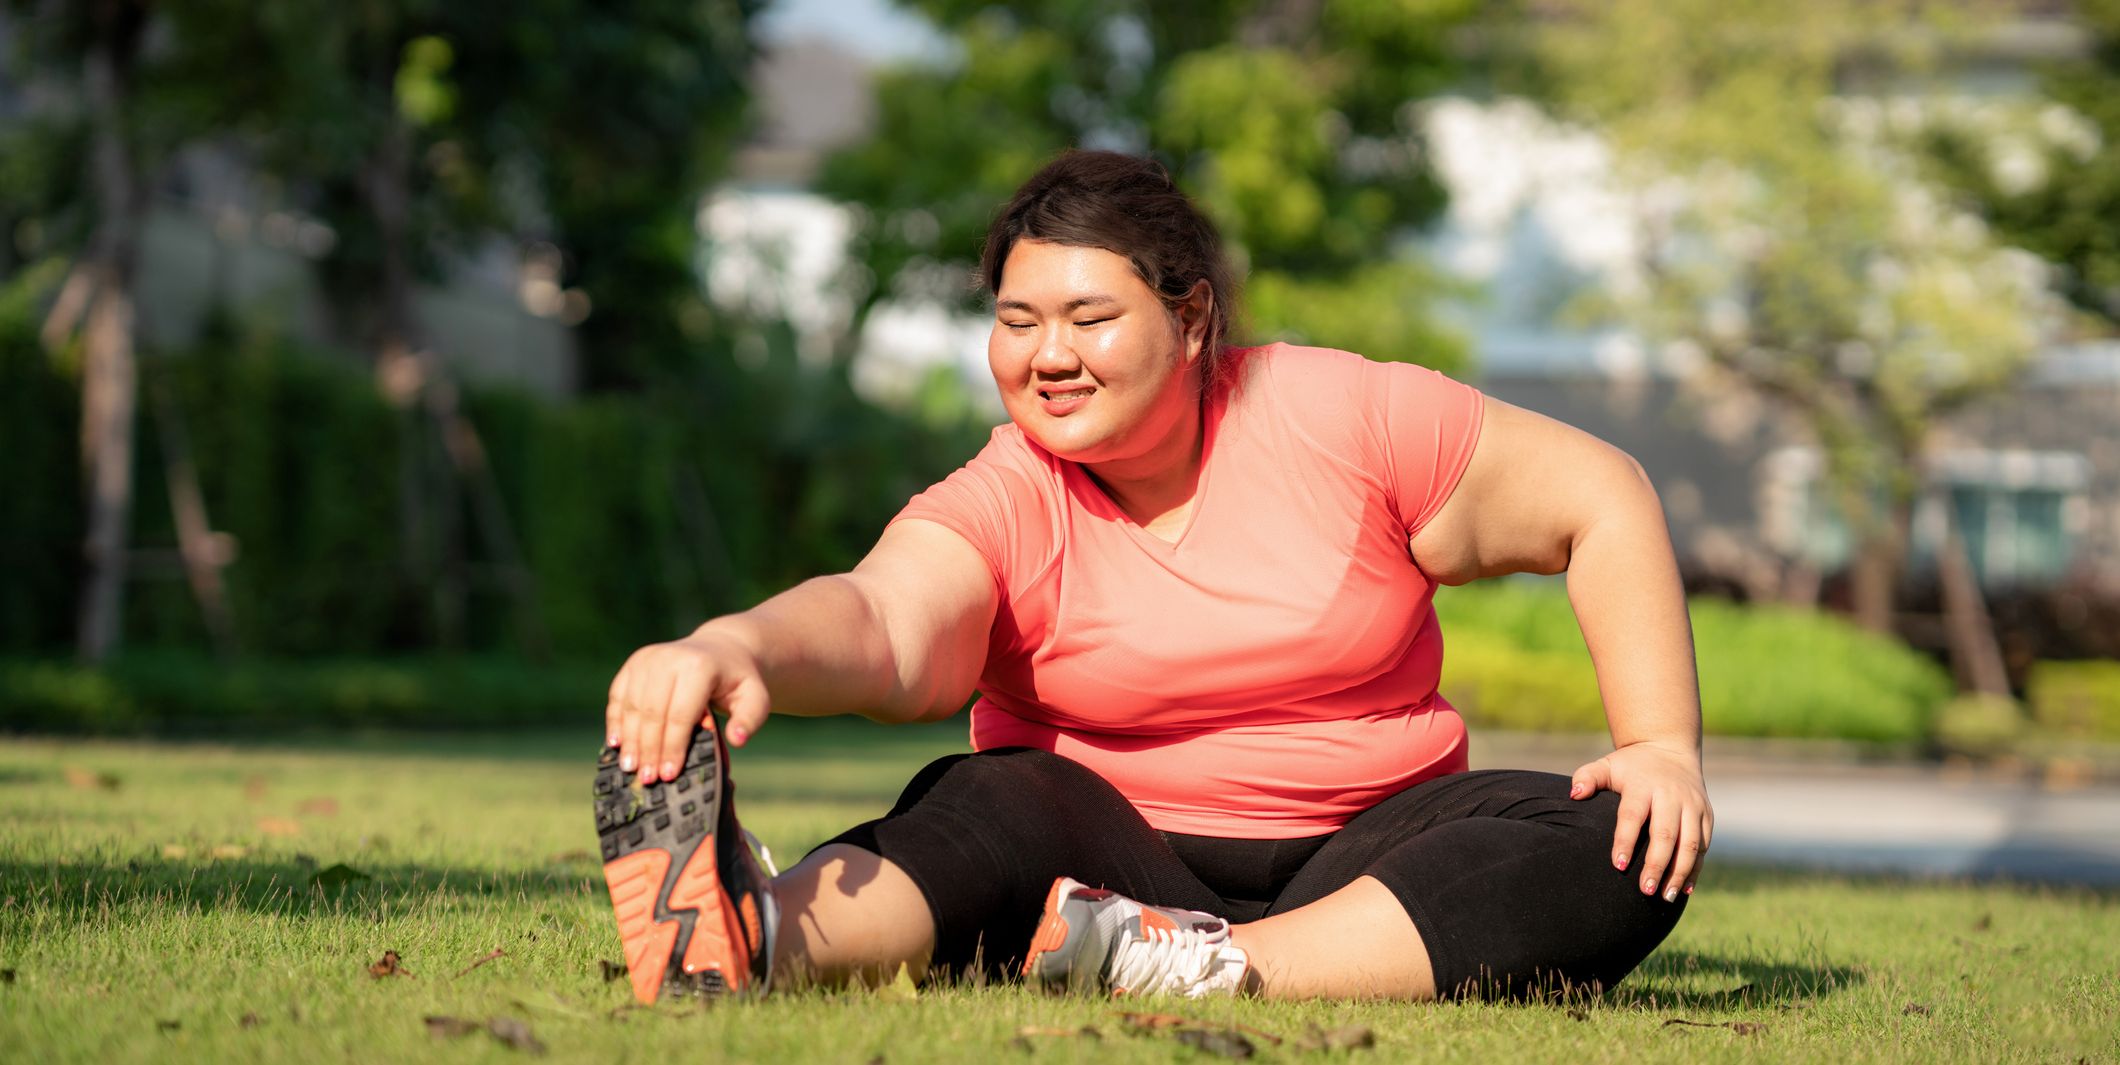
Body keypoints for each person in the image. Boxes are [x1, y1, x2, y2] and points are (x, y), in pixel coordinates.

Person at [590, 149, 1713, 1006]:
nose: (1046, 356)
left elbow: (1597, 495)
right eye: (1016, 321)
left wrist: (1658, 745)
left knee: (1620, 840)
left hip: (1369, 856)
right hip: (1097, 861)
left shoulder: (1339, 416)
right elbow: (885, 619)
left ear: (1189, 322)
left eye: (1088, 317)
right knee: (986, 801)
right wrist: (735, 645)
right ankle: (758, 936)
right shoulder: (1008, 491)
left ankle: (1205, 965)